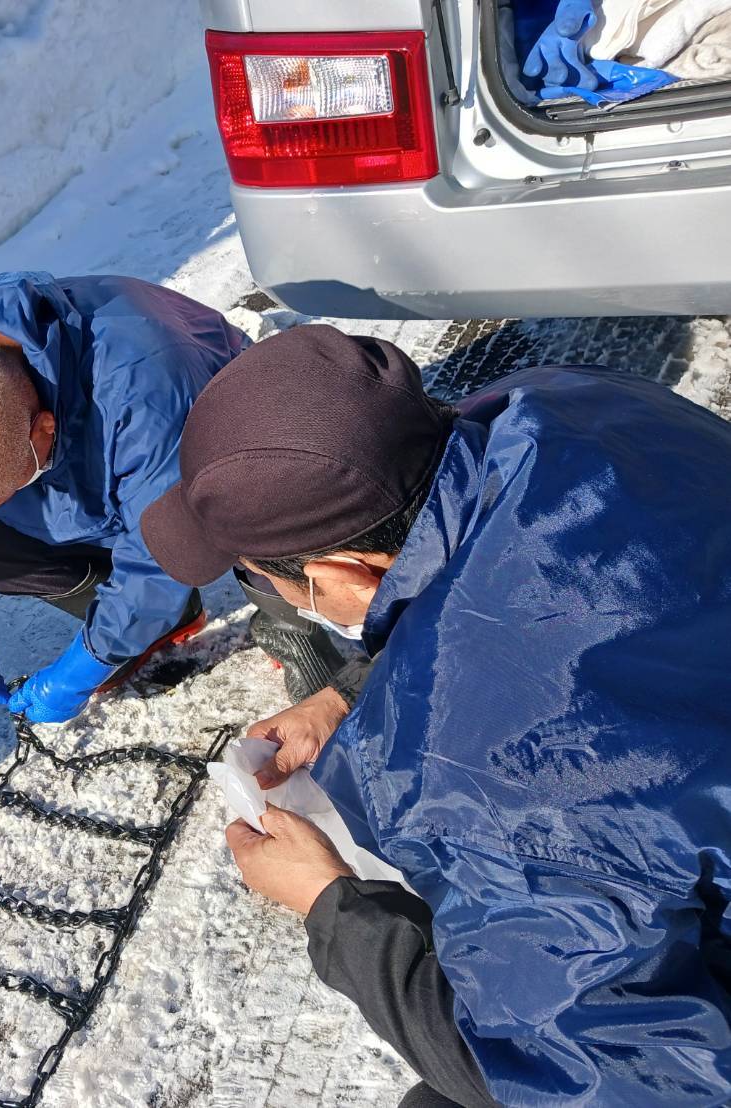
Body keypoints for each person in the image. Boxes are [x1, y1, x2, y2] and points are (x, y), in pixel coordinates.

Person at [141, 325, 731, 1107]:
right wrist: (355, 689)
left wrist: (333, 908)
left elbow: (609, 1079)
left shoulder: (485, 785)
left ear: (335, 573)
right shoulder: (567, 400)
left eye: (260, 581)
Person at [0, 270, 362, 724]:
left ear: (43, 429)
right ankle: (166, 620)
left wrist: (85, 667)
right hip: (92, 468)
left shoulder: (149, 392)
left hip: (229, 442)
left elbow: (163, 554)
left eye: (6, 488)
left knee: (254, 494)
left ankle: (289, 621)